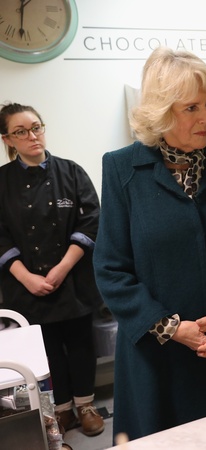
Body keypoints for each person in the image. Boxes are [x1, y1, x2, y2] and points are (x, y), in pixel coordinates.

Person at [92, 47, 206, 441]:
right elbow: (110, 268)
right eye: (191, 107)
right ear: (161, 112)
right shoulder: (121, 168)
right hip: (160, 360)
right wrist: (171, 327)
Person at [0, 103, 105, 437]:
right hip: (25, 283)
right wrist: (26, 277)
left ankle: (85, 405)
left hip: (72, 277)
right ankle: (60, 411)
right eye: (20, 132)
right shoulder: (2, 181)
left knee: (80, 342)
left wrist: (62, 267)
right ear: (7, 139)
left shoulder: (71, 172)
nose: (32, 136)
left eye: (36, 127)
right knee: (45, 350)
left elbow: (92, 221)